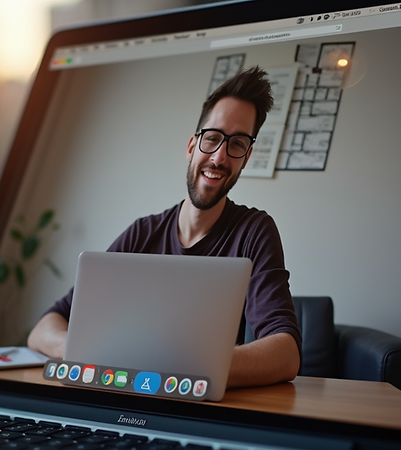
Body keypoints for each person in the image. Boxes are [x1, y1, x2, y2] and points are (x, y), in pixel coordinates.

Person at [27, 66, 301, 388]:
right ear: (191, 146)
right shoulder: (142, 234)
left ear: (247, 157)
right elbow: (45, 327)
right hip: (126, 401)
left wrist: (179, 366)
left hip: (198, 409)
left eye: (237, 144)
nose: (219, 157)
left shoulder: (254, 232)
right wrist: (82, 351)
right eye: (212, 139)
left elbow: (286, 354)